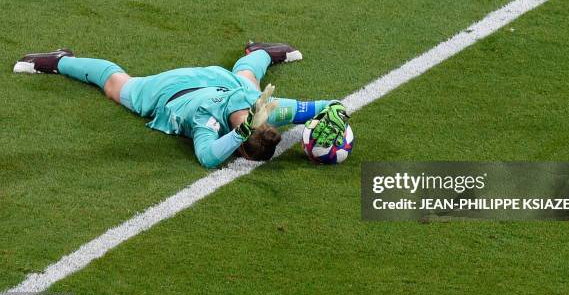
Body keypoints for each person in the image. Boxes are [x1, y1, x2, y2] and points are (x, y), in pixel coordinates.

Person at [13, 42, 349, 168]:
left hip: (216, 80)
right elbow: (206, 157)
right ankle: (60, 61)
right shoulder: (207, 122)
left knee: (247, 78)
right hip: (171, 91)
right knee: (118, 86)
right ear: (239, 146)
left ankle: (262, 51)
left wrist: (335, 112)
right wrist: (239, 134)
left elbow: (330, 105)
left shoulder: (271, 109)